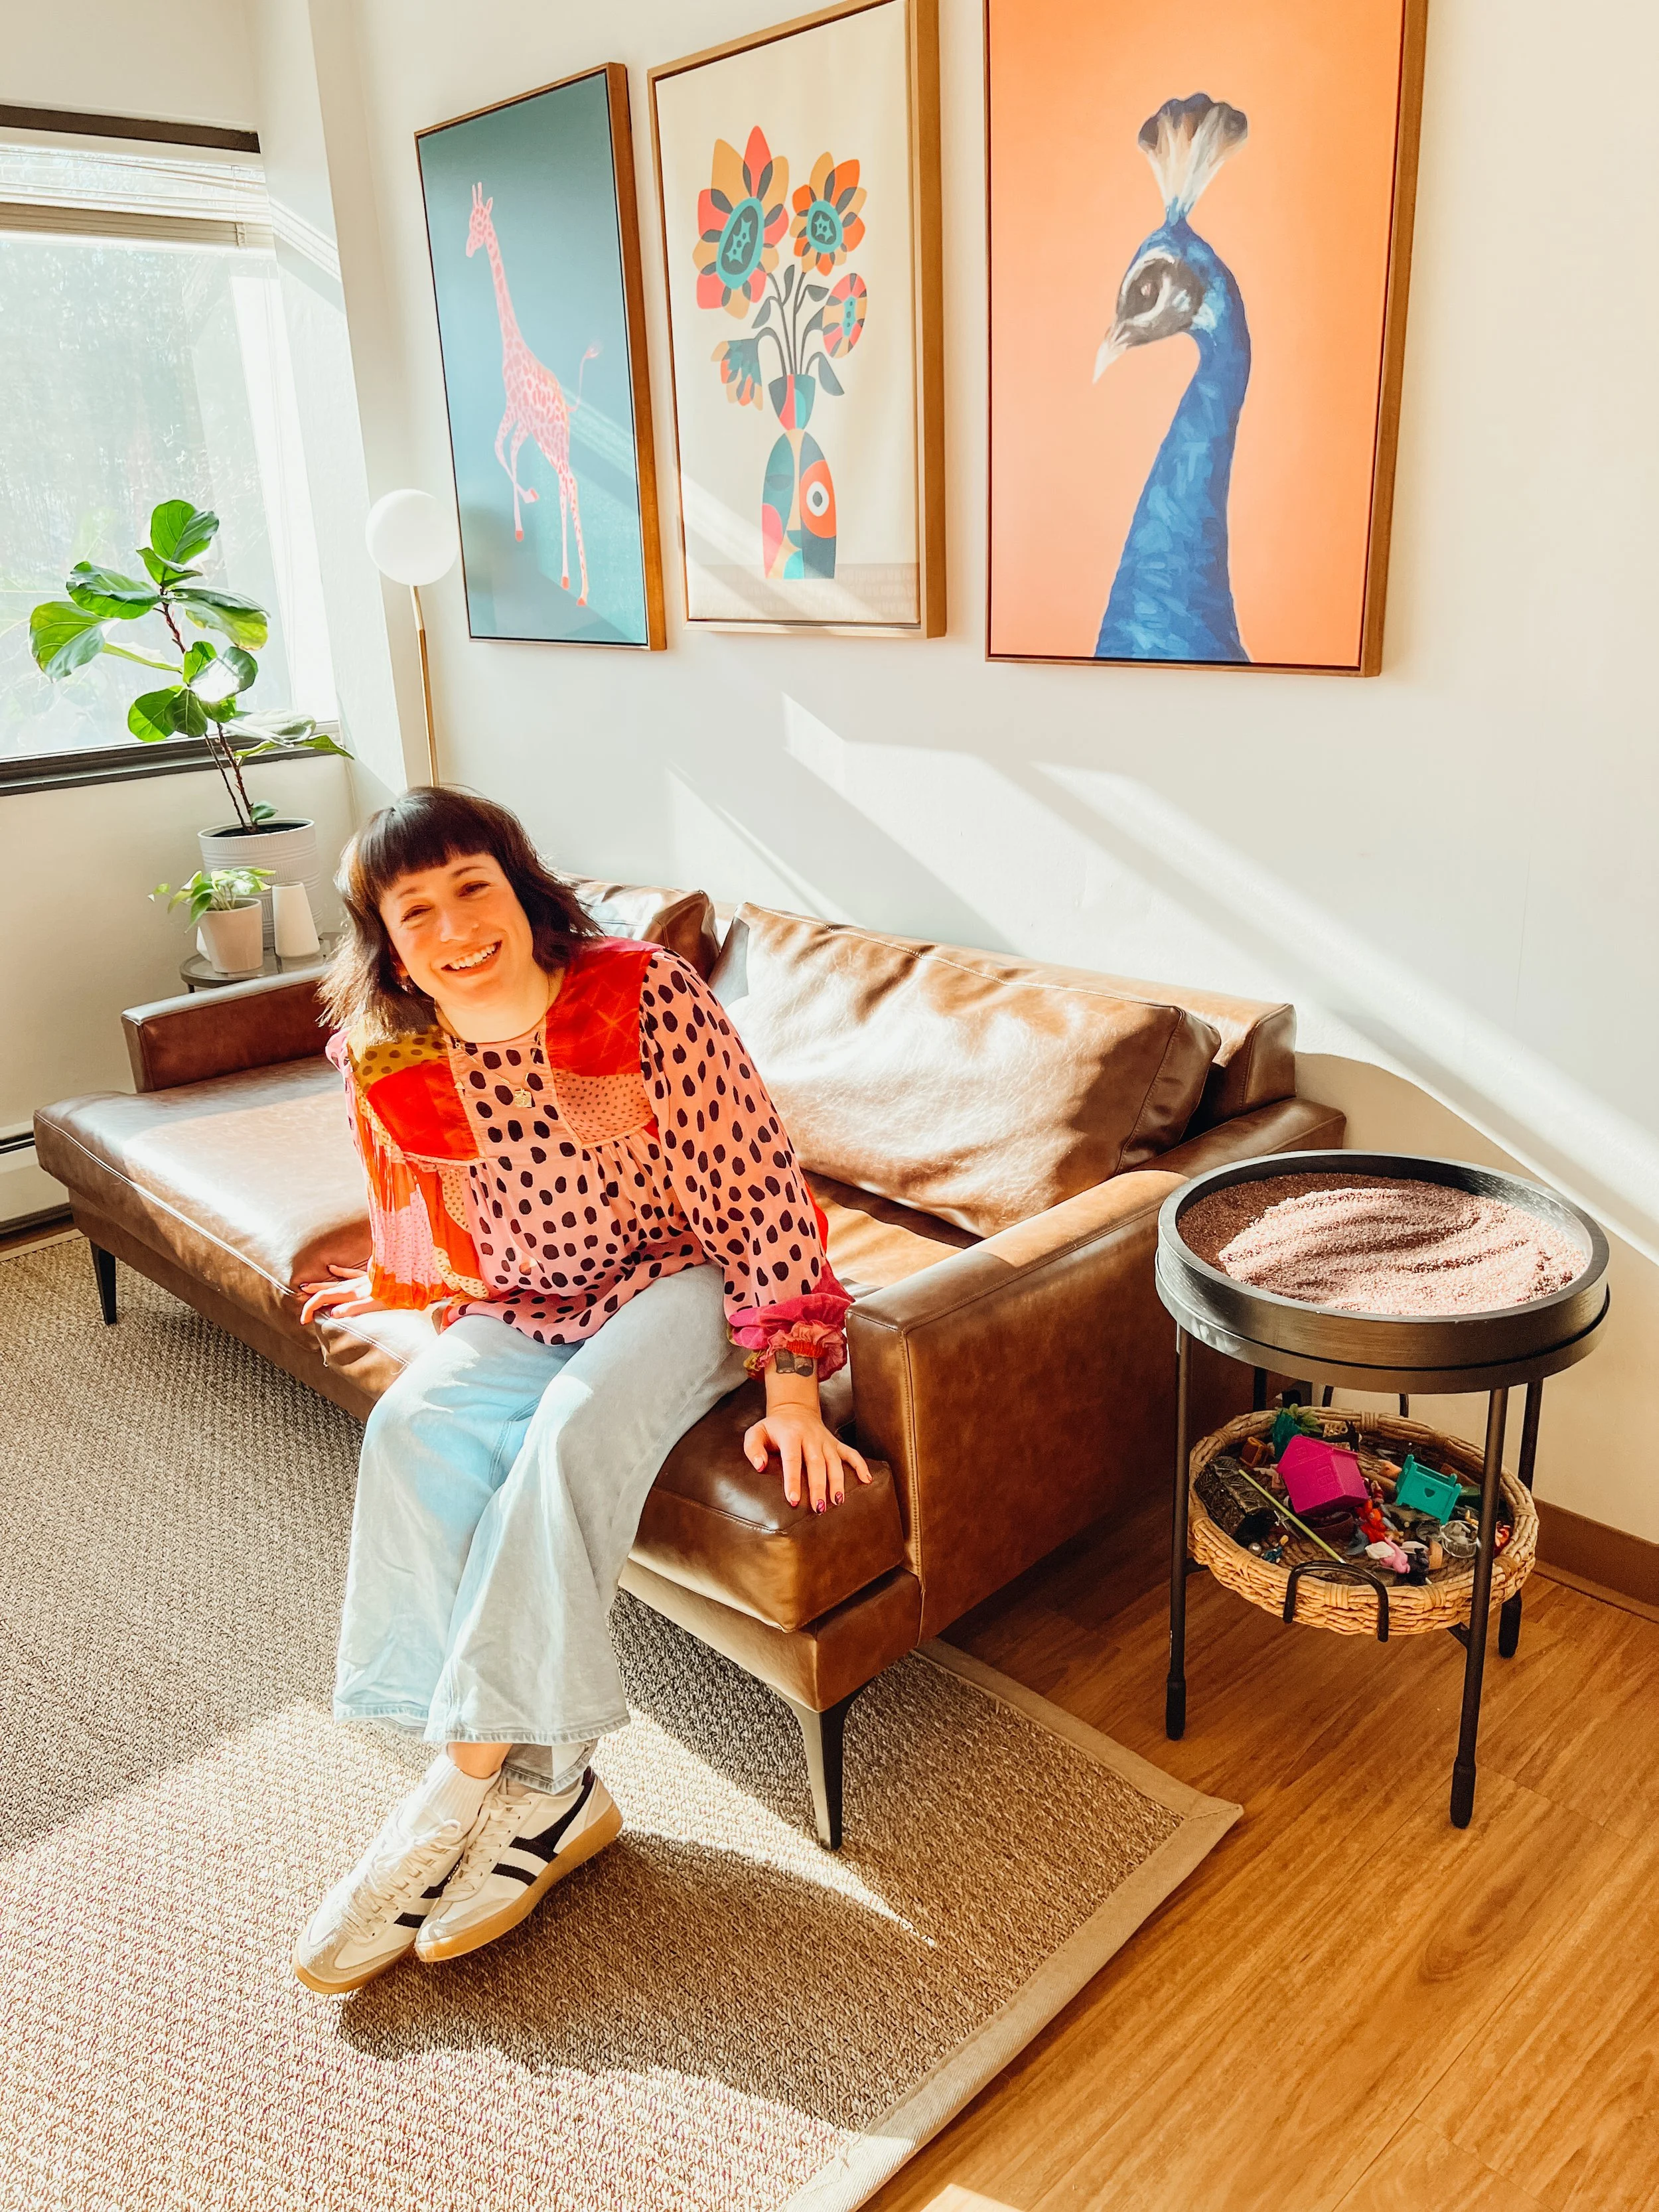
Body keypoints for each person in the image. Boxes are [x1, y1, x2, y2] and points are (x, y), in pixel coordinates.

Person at [292, 788, 865, 1994]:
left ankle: (463, 1790)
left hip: (689, 1277)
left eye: (473, 887)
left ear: (522, 886)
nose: (454, 924)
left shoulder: (642, 992)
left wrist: (794, 1388)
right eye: (416, 908)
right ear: (387, 940)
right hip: (527, 1301)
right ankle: (555, 1797)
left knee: (570, 1436)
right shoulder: (388, 1047)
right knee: (411, 1427)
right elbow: (431, 1209)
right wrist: (403, 1294)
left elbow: (759, 1187)